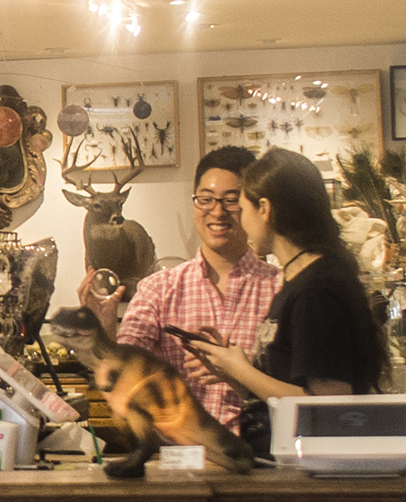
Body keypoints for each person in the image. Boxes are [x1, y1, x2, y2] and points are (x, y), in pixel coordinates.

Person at [183, 148, 390, 450]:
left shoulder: (317, 290)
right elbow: (285, 393)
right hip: (285, 460)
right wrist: (234, 372)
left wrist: (242, 370)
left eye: (241, 207)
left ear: (264, 209)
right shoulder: (297, 282)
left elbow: (329, 404)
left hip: (312, 467)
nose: (241, 222)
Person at [77, 146, 278, 428]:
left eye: (231, 200)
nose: (217, 212)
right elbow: (125, 376)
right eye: (205, 199)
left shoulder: (280, 288)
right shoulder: (158, 289)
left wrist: (242, 374)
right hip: (182, 451)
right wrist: (103, 329)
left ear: (255, 205)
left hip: (265, 450)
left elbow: (299, 391)